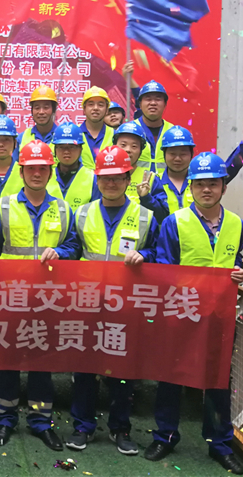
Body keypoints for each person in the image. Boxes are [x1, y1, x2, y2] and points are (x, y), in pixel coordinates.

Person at [146, 152, 243, 475]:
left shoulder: (237, 225)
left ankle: (220, 444)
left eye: (213, 184)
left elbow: (235, 259)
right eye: (200, 184)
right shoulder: (174, 223)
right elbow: (165, 269)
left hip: (220, 317)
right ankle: (165, 435)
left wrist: (238, 272)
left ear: (223, 187)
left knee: (218, 382)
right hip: (181, 313)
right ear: (190, 187)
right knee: (171, 376)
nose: (206, 190)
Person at [0, 141, 79, 451]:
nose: (37, 173)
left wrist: (61, 252)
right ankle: (5, 420)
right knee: (7, 362)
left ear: (50, 171)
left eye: (42, 168)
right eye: (31, 168)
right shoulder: (4, 206)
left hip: (47, 299)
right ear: (21, 171)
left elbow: (74, 246)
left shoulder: (63, 209)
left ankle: (40, 422)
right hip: (9, 297)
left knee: (41, 364)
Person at [66, 145, 159, 457]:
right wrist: (58, 254)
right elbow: (72, 248)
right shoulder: (82, 214)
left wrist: (145, 255)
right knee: (84, 369)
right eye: (105, 178)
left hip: (126, 306)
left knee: (123, 371)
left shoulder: (145, 216)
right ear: (97, 179)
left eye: (117, 177)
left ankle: (120, 428)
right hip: (88, 302)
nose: (111, 183)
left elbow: (160, 253)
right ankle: (83, 426)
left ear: (128, 178)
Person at [160, 121, 243, 213]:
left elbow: (232, 166)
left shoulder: (203, 178)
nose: (177, 159)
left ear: (191, 154)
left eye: (183, 154)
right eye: (172, 154)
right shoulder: (154, 182)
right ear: (164, 154)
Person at [112, 121, 169, 221]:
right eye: (123, 145)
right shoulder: (103, 176)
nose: (128, 150)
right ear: (114, 147)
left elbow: (162, 216)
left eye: (134, 146)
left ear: (140, 151)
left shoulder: (150, 179)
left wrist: (146, 198)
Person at [46, 122, 99, 212]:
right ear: (55, 150)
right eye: (61, 147)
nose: (66, 151)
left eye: (72, 147)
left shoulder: (93, 179)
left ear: (80, 149)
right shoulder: (46, 176)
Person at [133, 80, 174, 174]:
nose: (153, 103)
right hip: (135, 182)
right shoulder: (128, 131)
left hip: (165, 183)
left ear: (165, 104)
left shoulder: (172, 132)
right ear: (140, 104)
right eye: (148, 99)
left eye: (158, 99)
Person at [79, 87, 114, 170]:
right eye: (91, 104)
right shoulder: (73, 133)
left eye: (100, 105)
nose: (95, 108)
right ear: (84, 109)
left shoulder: (115, 135)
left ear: (107, 110)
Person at [17, 85, 61, 151]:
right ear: (32, 111)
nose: (41, 112)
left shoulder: (62, 136)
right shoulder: (22, 137)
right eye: (37, 108)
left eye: (46, 107)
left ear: (53, 110)